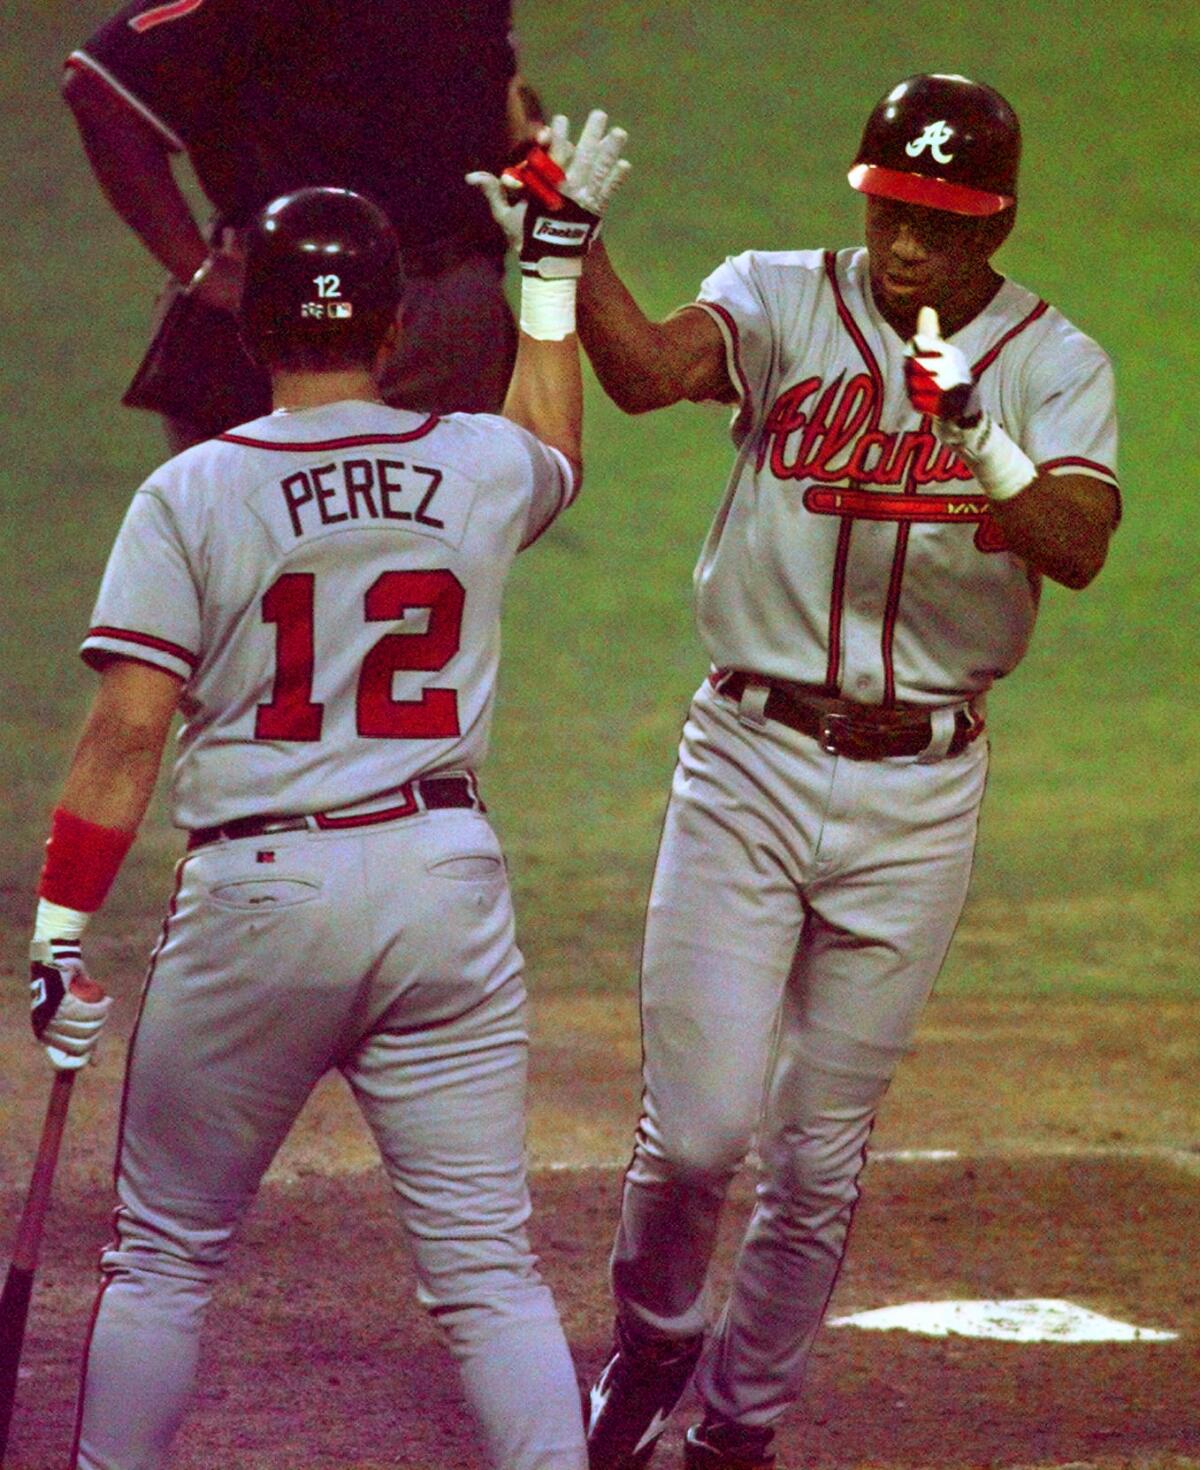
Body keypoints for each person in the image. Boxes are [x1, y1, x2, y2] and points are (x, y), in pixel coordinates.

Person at [26, 109, 629, 1470]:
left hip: (261, 895)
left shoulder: (190, 493)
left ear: (256, 327)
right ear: (398, 319)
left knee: (166, 1257)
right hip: (440, 890)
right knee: (489, 1271)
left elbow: (127, 733)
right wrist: (549, 279)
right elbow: (557, 451)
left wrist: (62, 932)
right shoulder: (473, 461)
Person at [572, 73, 1120, 1470]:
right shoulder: (775, 295)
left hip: (920, 792)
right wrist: (570, 245)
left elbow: (1076, 543)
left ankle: (742, 1429)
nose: (906, 249)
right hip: (747, 761)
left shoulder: (1057, 361)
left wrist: (979, 435)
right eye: (891, 213)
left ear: (992, 226)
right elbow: (643, 374)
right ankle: (653, 1334)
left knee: (818, 1154)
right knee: (694, 1137)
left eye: (940, 225)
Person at [62, 0, 546, 452]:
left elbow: (493, 88)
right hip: (296, 310)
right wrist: (200, 269)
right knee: (260, 527)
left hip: (449, 310)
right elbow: (101, 85)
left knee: (453, 530)